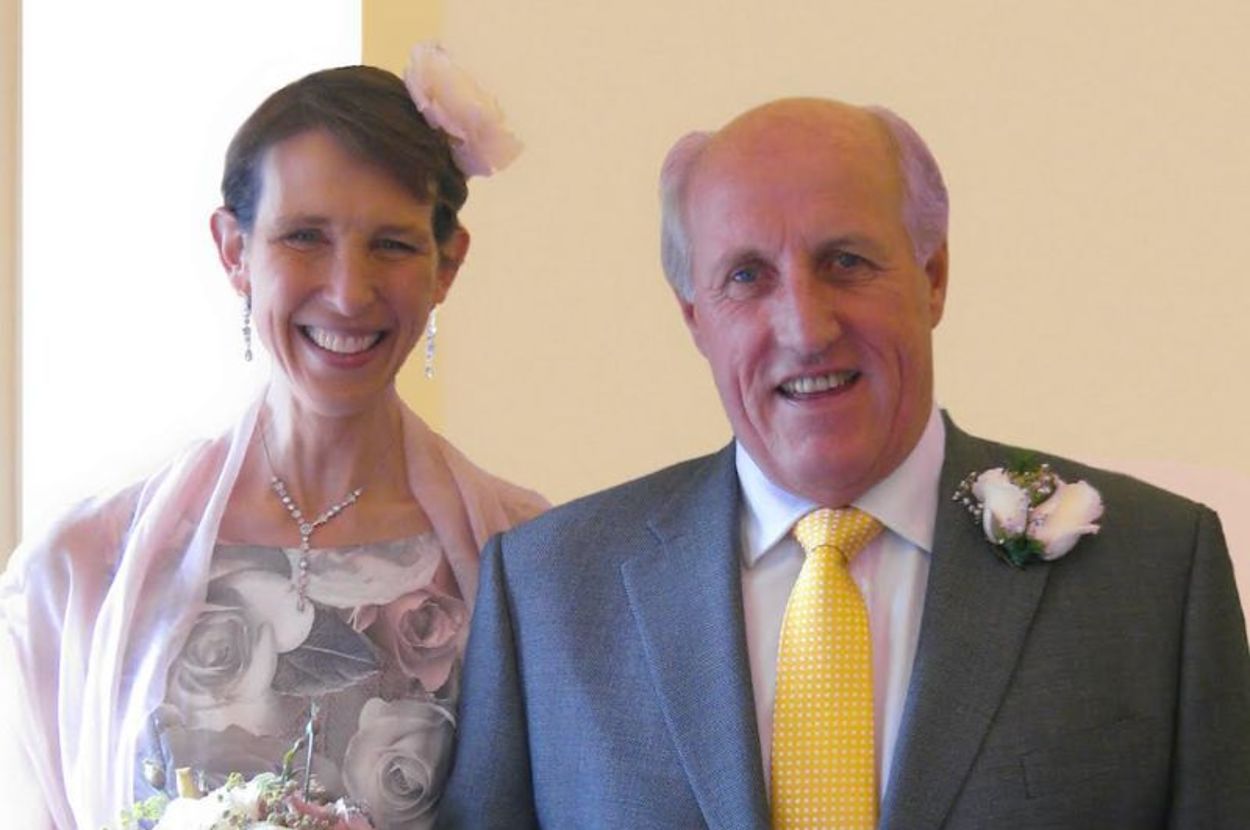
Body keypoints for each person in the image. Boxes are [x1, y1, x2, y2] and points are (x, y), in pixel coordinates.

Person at [438, 98, 1250, 828]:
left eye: (847, 262)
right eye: (747, 276)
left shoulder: (1156, 571)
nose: (805, 326)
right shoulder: (550, 593)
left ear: (933, 277)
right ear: (695, 319)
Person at [0, 44, 547, 830]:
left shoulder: (530, 563)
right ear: (235, 252)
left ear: (447, 266)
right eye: (303, 237)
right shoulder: (83, 571)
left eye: (391, 244)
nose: (348, 291)